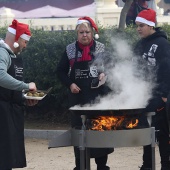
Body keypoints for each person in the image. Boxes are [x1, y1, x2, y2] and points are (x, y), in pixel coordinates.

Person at [57, 16, 113, 170]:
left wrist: (105, 74)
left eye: (87, 32)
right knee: (79, 134)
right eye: (81, 32)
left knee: (100, 132)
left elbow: (111, 67)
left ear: (92, 32)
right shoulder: (70, 50)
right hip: (78, 99)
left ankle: (102, 166)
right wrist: (70, 84)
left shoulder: (101, 48)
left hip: (98, 99)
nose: (84, 35)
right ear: (77, 33)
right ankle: (80, 166)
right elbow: (60, 71)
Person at [134, 8, 170, 170]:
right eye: (137, 26)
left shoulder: (162, 43)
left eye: (142, 25)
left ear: (151, 26)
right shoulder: (139, 44)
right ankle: (147, 165)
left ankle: (166, 165)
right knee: (146, 133)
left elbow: (167, 69)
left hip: (159, 97)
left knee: (163, 134)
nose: (138, 29)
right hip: (143, 96)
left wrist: (164, 94)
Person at [0, 19, 38, 170]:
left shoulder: (10, 54)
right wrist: (25, 86)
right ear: (17, 39)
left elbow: (9, 88)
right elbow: (0, 76)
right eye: (25, 42)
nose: (25, 46)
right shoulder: (2, 52)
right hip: (2, 113)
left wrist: (24, 97)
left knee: (7, 157)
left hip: (9, 112)